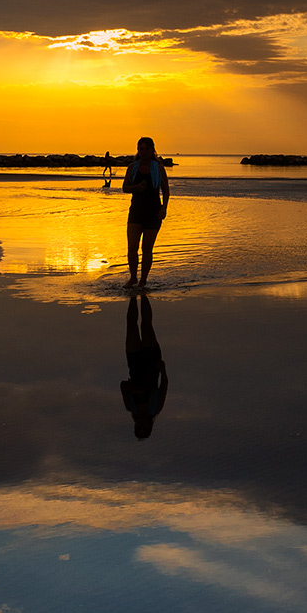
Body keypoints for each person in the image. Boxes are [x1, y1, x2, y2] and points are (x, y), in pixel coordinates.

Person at [122, 135, 168, 287]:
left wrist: (164, 208)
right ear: (138, 150)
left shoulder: (159, 169)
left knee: (147, 249)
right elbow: (125, 188)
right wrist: (136, 188)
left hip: (153, 212)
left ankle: (143, 280)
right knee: (132, 248)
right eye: (141, 149)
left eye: (146, 149)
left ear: (152, 150)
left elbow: (166, 191)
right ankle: (133, 277)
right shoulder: (132, 167)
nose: (143, 151)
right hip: (136, 211)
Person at [120, 292, 168, 439]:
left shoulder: (130, 406)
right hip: (151, 362)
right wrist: (163, 369)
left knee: (131, 326)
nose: (141, 425)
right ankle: (145, 294)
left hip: (134, 362)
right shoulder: (156, 407)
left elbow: (123, 385)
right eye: (143, 428)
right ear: (149, 425)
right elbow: (164, 386)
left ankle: (133, 296)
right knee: (146, 325)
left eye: (138, 428)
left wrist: (134, 389)